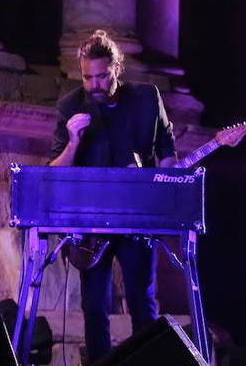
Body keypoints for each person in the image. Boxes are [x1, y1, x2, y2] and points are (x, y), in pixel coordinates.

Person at [48, 29, 177, 363]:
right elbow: (55, 171)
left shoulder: (146, 98)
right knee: (95, 306)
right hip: (92, 225)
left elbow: (167, 149)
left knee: (142, 303)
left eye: (102, 76)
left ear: (117, 69)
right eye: (87, 77)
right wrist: (73, 142)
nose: (94, 85)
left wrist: (164, 184)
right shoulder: (70, 106)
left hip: (137, 218)